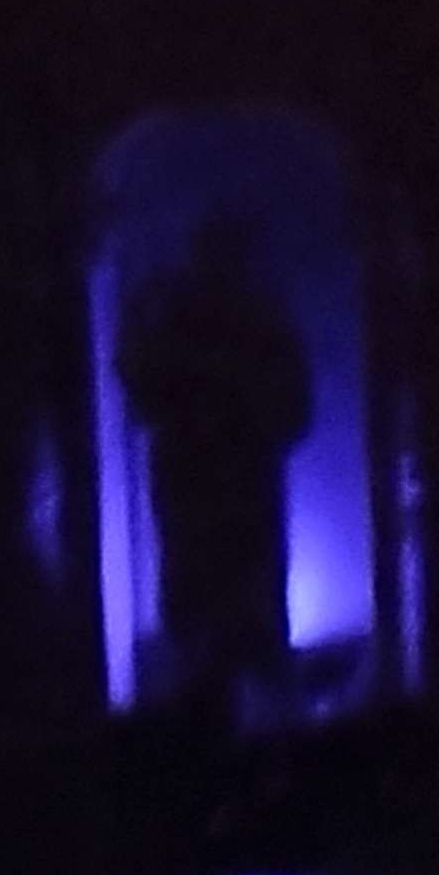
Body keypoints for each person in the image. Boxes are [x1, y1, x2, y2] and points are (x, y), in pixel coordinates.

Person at [118, 210, 313, 718]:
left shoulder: (227, 321)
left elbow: (292, 412)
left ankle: (230, 734)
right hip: (216, 500)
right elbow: (292, 413)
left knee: (228, 624)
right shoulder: (252, 321)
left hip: (220, 500)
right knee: (220, 625)